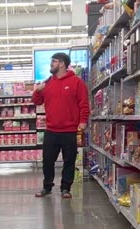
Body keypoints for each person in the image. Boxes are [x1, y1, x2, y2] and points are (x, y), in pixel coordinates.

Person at [32, 52, 90, 199]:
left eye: (54, 61)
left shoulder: (77, 82)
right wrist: (37, 91)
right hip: (51, 130)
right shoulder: (48, 82)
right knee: (47, 160)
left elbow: (84, 104)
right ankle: (47, 187)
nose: (51, 64)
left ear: (62, 63)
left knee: (69, 160)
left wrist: (83, 121)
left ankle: (66, 188)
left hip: (70, 130)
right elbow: (37, 101)